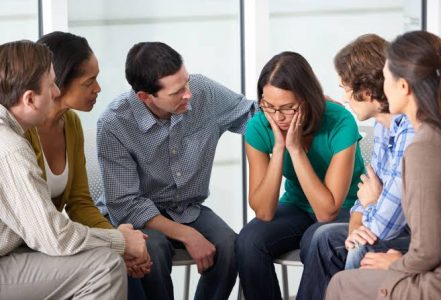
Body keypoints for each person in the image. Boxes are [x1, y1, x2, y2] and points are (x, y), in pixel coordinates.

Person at [95, 41, 256, 299]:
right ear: (145, 97)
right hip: (138, 216)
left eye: (187, 82)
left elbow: (252, 116)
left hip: (187, 208)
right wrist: (189, 235)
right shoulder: (114, 124)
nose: (188, 94)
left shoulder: (202, 91)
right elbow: (126, 205)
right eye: (177, 92)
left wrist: (306, 107)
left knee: (228, 245)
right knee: (152, 248)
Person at [0, 40, 149, 299]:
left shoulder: (59, 126)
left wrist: (116, 241)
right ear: (30, 99)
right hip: (11, 257)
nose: (56, 92)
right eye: (51, 85)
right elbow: (55, 236)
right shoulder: (11, 147)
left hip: (18, 250)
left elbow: (74, 207)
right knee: (104, 268)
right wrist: (121, 242)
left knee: (102, 257)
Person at [326, 30, 441, 300]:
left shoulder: (424, 147)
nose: (381, 88)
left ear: (404, 87)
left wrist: (397, 263)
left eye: (386, 78)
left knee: (341, 284)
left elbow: (430, 249)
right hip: (438, 264)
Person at [235, 51, 365, 299]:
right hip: (296, 206)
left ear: (306, 99)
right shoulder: (259, 126)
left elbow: (327, 212)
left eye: (287, 108)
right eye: (268, 105)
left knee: (314, 240)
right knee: (248, 242)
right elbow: (264, 211)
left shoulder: (340, 122)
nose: (277, 117)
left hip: (346, 208)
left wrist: (296, 150)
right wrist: (279, 147)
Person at [295, 34, 415, 300]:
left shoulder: (410, 130)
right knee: (325, 239)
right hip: (388, 223)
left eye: (345, 88)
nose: (344, 98)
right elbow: (364, 198)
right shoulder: (383, 127)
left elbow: (386, 225)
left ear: (367, 92)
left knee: (360, 247)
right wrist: (358, 223)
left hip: (418, 238)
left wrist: (369, 207)